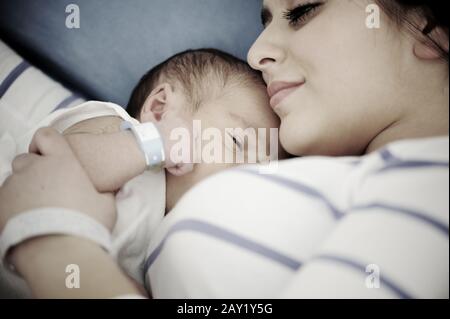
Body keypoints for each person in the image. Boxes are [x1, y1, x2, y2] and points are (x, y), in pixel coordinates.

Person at [0, 0, 448, 298]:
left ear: (431, 27)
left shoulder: (434, 188)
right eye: (240, 144)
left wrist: (55, 246)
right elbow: (48, 139)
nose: (255, 53)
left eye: (303, 9)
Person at [0, 49, 281, 297]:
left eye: (261, 169)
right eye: (237, 143)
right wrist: (151, 143)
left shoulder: (166, 242)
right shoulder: (118, 131)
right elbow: (55, 165)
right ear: (159, 110)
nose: (249, 175)